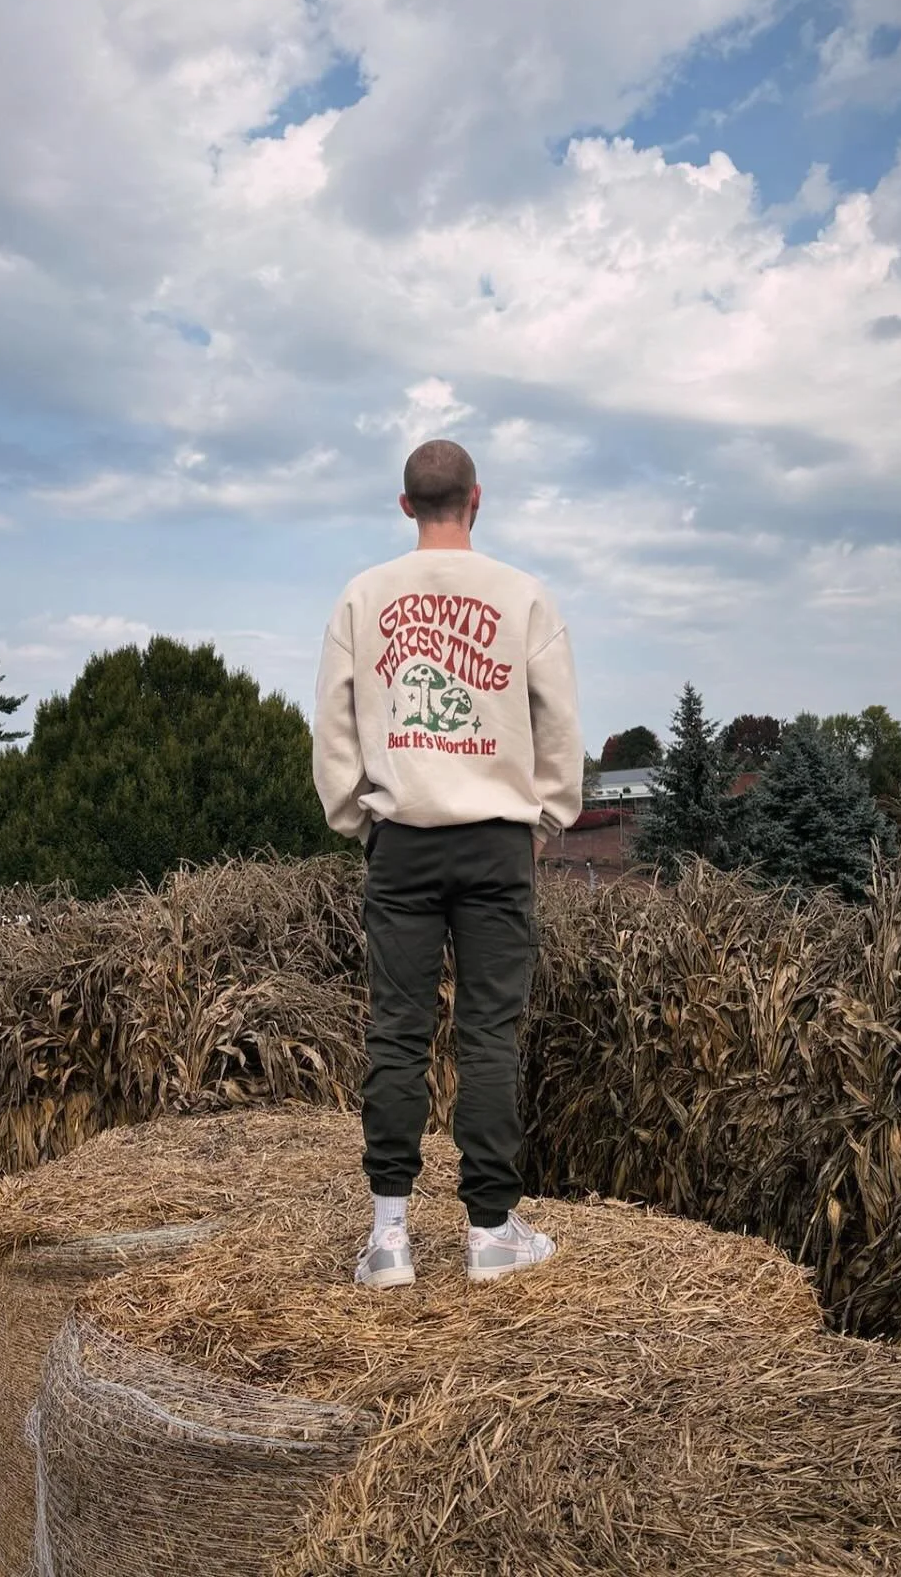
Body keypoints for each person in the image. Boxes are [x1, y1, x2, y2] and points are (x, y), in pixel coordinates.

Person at [312, 439, 583, 1287]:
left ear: (405, 506)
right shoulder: (523, 595)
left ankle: (389, 1237)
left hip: (403, 840)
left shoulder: (363, 596)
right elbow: (560, 721)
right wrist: (545, 818)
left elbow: (335, 725)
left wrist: (361, 817)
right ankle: (490, 1232)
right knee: (488, 1034)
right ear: (477, 499)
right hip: (498, 839)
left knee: (396, 1031)